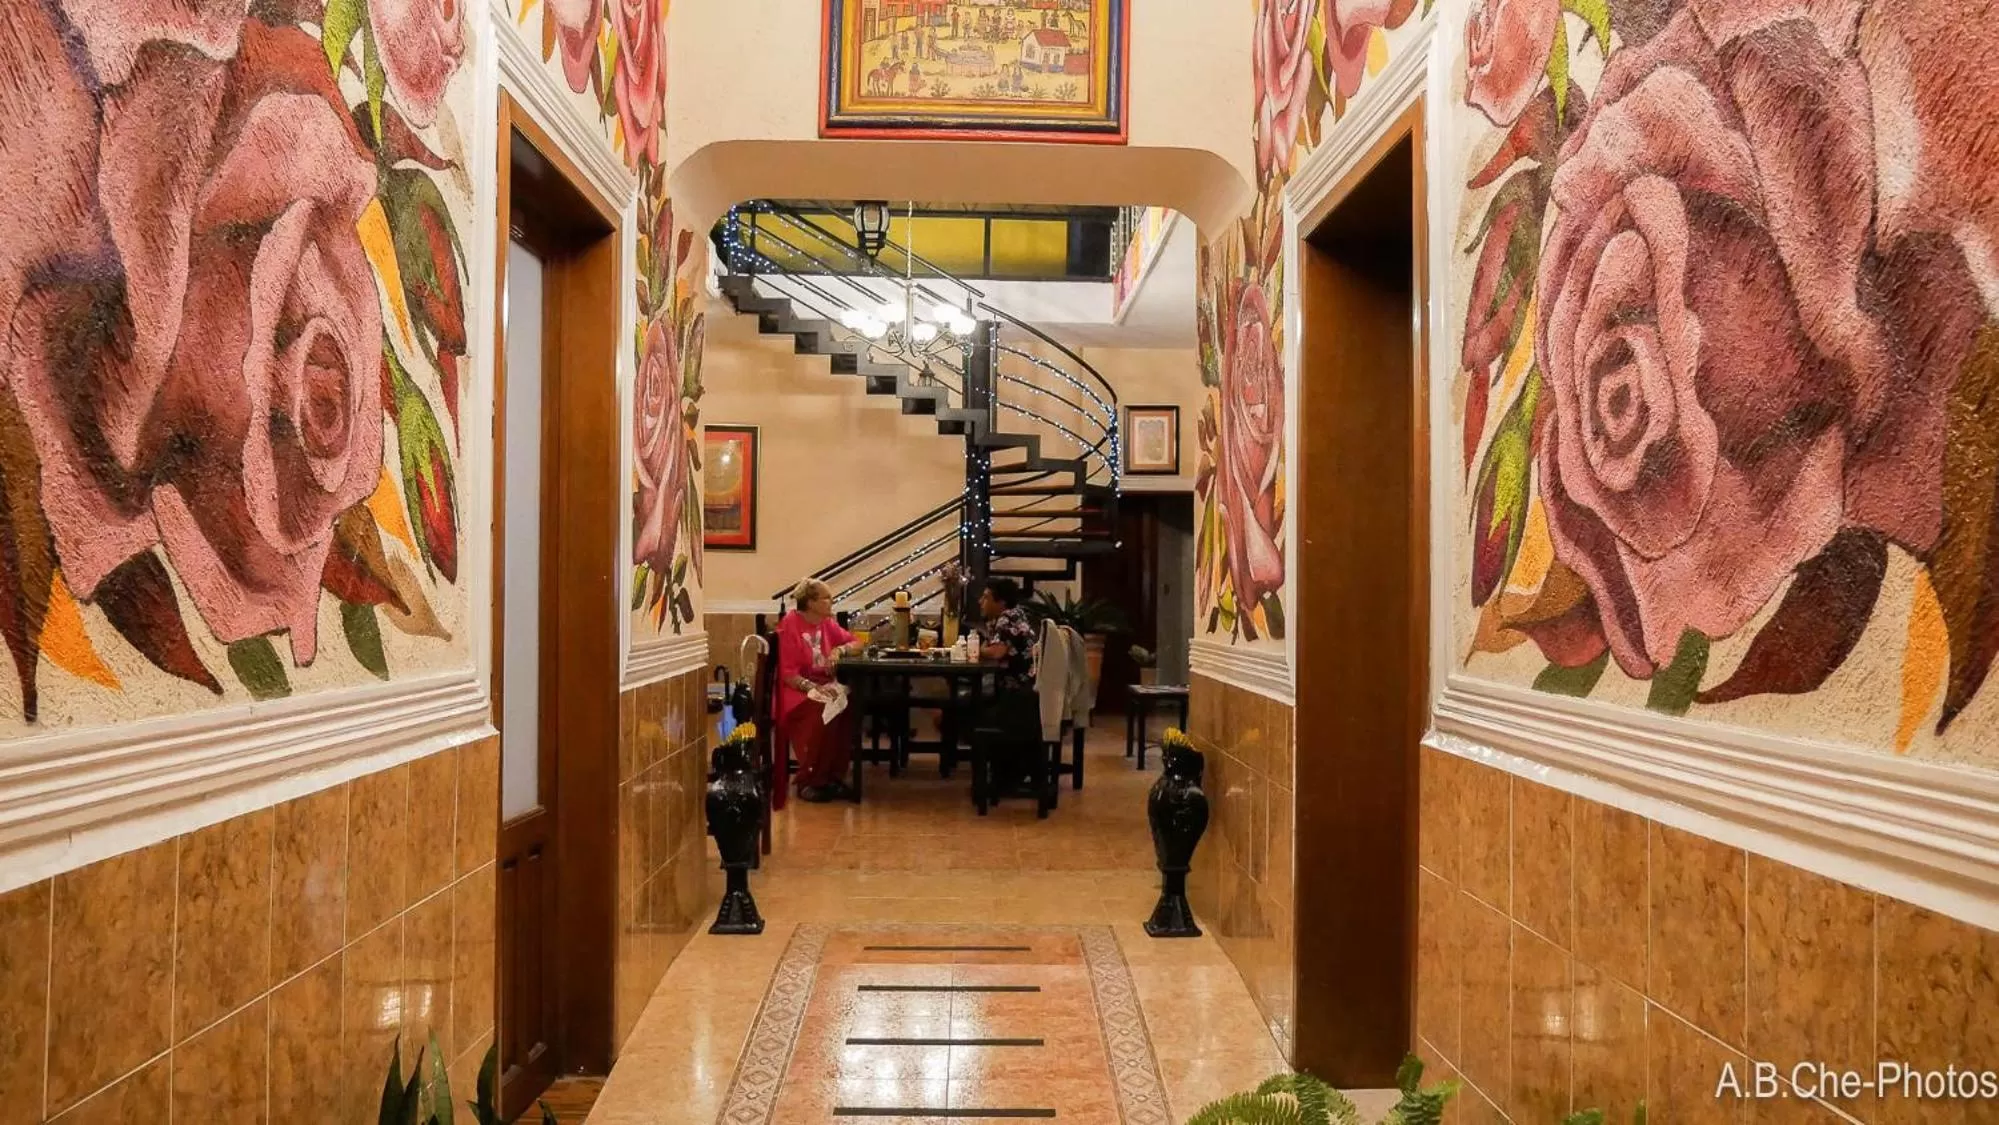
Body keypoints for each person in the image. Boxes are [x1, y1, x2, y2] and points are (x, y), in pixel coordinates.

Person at [777, 578, 861, 802]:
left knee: (848, 707)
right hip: (795, 690)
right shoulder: (789, 624)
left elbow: (856, 643)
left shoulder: (827, 623)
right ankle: (810, 780)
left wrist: (840, 650)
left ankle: (833, 777)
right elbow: (788, 674)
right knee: (822, 710)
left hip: (823, 685)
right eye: (826, 598)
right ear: (811, 602)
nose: (831, 602)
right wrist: (814, 688)